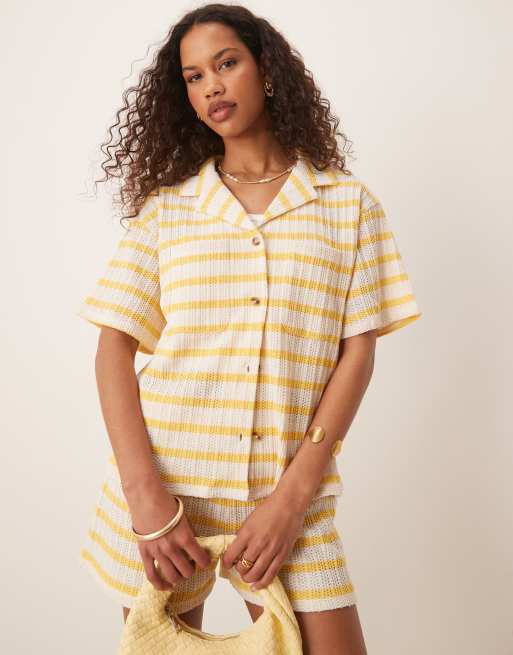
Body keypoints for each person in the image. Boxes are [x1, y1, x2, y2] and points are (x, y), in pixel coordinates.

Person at [77, 4, 421, 653]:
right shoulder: (169, 211)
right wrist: (145, 498)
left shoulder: (346, 207)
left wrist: (292, 499)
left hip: (289, 492)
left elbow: (357, 353)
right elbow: (112, 349)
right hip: (165, 497)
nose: (211, 86)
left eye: (226, 63)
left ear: (266, 70)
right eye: (193, 76)